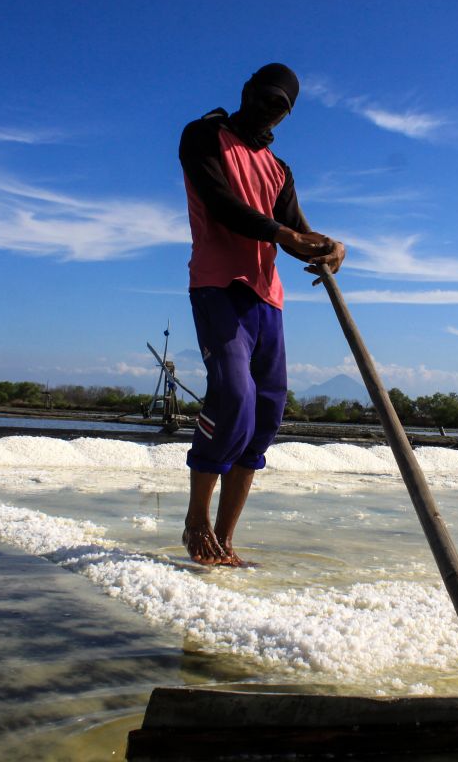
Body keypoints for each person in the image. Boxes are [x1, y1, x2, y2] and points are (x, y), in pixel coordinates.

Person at [178, 62, 345, 566]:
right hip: (218, 285)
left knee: (266, 414)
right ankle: (195, 520)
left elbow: (298, 231)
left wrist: (331, 247)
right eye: (265, 97)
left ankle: (224, 543)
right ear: (247, 91)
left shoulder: (280, 169)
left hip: (267, 299)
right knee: (233, 395)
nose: (270, 109)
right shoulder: (204, 134)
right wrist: (284, 234)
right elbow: (221, 202)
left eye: (282, 106)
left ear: (287, 114)